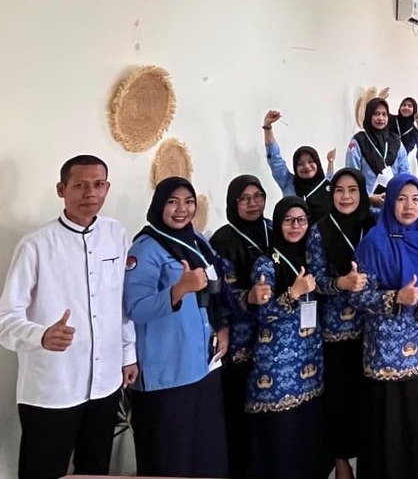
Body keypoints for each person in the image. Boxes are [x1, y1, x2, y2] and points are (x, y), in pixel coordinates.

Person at [0, 155, 137, 479]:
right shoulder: (36, 245)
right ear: (62, 189)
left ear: (107, 188)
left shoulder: (116, 234)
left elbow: (122, 303)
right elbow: (3, 320)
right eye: (80, 185)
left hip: (105, 384)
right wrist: (40, 336)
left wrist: (128, 354)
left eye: (98, 185)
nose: (90, 193)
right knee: (42, 471)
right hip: (52, 389)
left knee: (95, 470)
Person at [124, 177, 228, 478]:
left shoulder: (197, 241)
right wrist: (177, 291)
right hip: (168, 373)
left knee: (206, 453)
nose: (181, 209)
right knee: (170, 457)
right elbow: (135, 308)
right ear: (159, 205)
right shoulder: (145, 249)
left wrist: (222, 327)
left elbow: (214, 293)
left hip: (204, 365)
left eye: (188, 201)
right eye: (172, 202)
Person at [356, 175, 418, 479]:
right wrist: (396, 297)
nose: (409, 205)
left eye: (415, 199)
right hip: (389, 355)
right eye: (401, 198)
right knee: (393, 427)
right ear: (390, 200)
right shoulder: (374, 242)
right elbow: (358, 298)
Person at [246, 197, 328, 479]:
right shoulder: (265, 262)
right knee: (282, 434)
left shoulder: (312, 256)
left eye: (301, 220)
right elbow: (263, 312)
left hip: (310, 359)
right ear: (278, 223)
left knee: (307, 430)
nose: (296, 226)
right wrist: (293, 293)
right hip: (277, 365)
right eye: (288, 220)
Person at [308, 169, 376, 479]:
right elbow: (315, 280)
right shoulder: (319, 231)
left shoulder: (373, 224)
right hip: (335, 330)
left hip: (372, 328)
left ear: (362, 192)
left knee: (369, 396)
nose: (346, 196)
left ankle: (371, 456)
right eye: (339, 190)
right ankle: (340, 459)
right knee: (339, 397)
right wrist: (342, 284)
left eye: (352, 190)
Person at [209, 174, 271, 478]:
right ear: (233, 202)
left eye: (257, 196)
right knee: (238, 407)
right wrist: (248, 296)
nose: (252, 204)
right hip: (238, 339)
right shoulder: (222, 240)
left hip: (272, 336)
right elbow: (217, 292)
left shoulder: (274, 229)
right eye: (244, 198)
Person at [262, 110, 335, 221]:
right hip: (294, 236)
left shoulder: (329, 186)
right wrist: (268, 127)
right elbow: (275, 159)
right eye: (300, 163)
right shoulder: (288, 183)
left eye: (311, 161)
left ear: (318, 163)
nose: (306, 166)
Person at [346, 97, 411, 205]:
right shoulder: (359, 140)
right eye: (376, 114)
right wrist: (368, 198)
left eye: (384, 114)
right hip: (367, 205)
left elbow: (404, 171)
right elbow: (352, 175)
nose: (380, 118)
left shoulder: (395, 141)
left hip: (393, 203)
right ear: (368, 115)